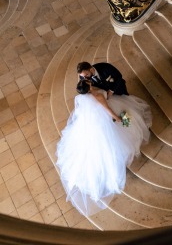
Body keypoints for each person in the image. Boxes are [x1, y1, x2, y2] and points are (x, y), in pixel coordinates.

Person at [56, 79, 152, 216]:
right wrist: (118, 118)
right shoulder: (98, 96)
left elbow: (79, 111)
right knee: (111, 142)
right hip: (102, 123)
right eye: (88, 83)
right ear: (89, 88)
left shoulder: (79, 98)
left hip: (89, 124)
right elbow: (107, 109)